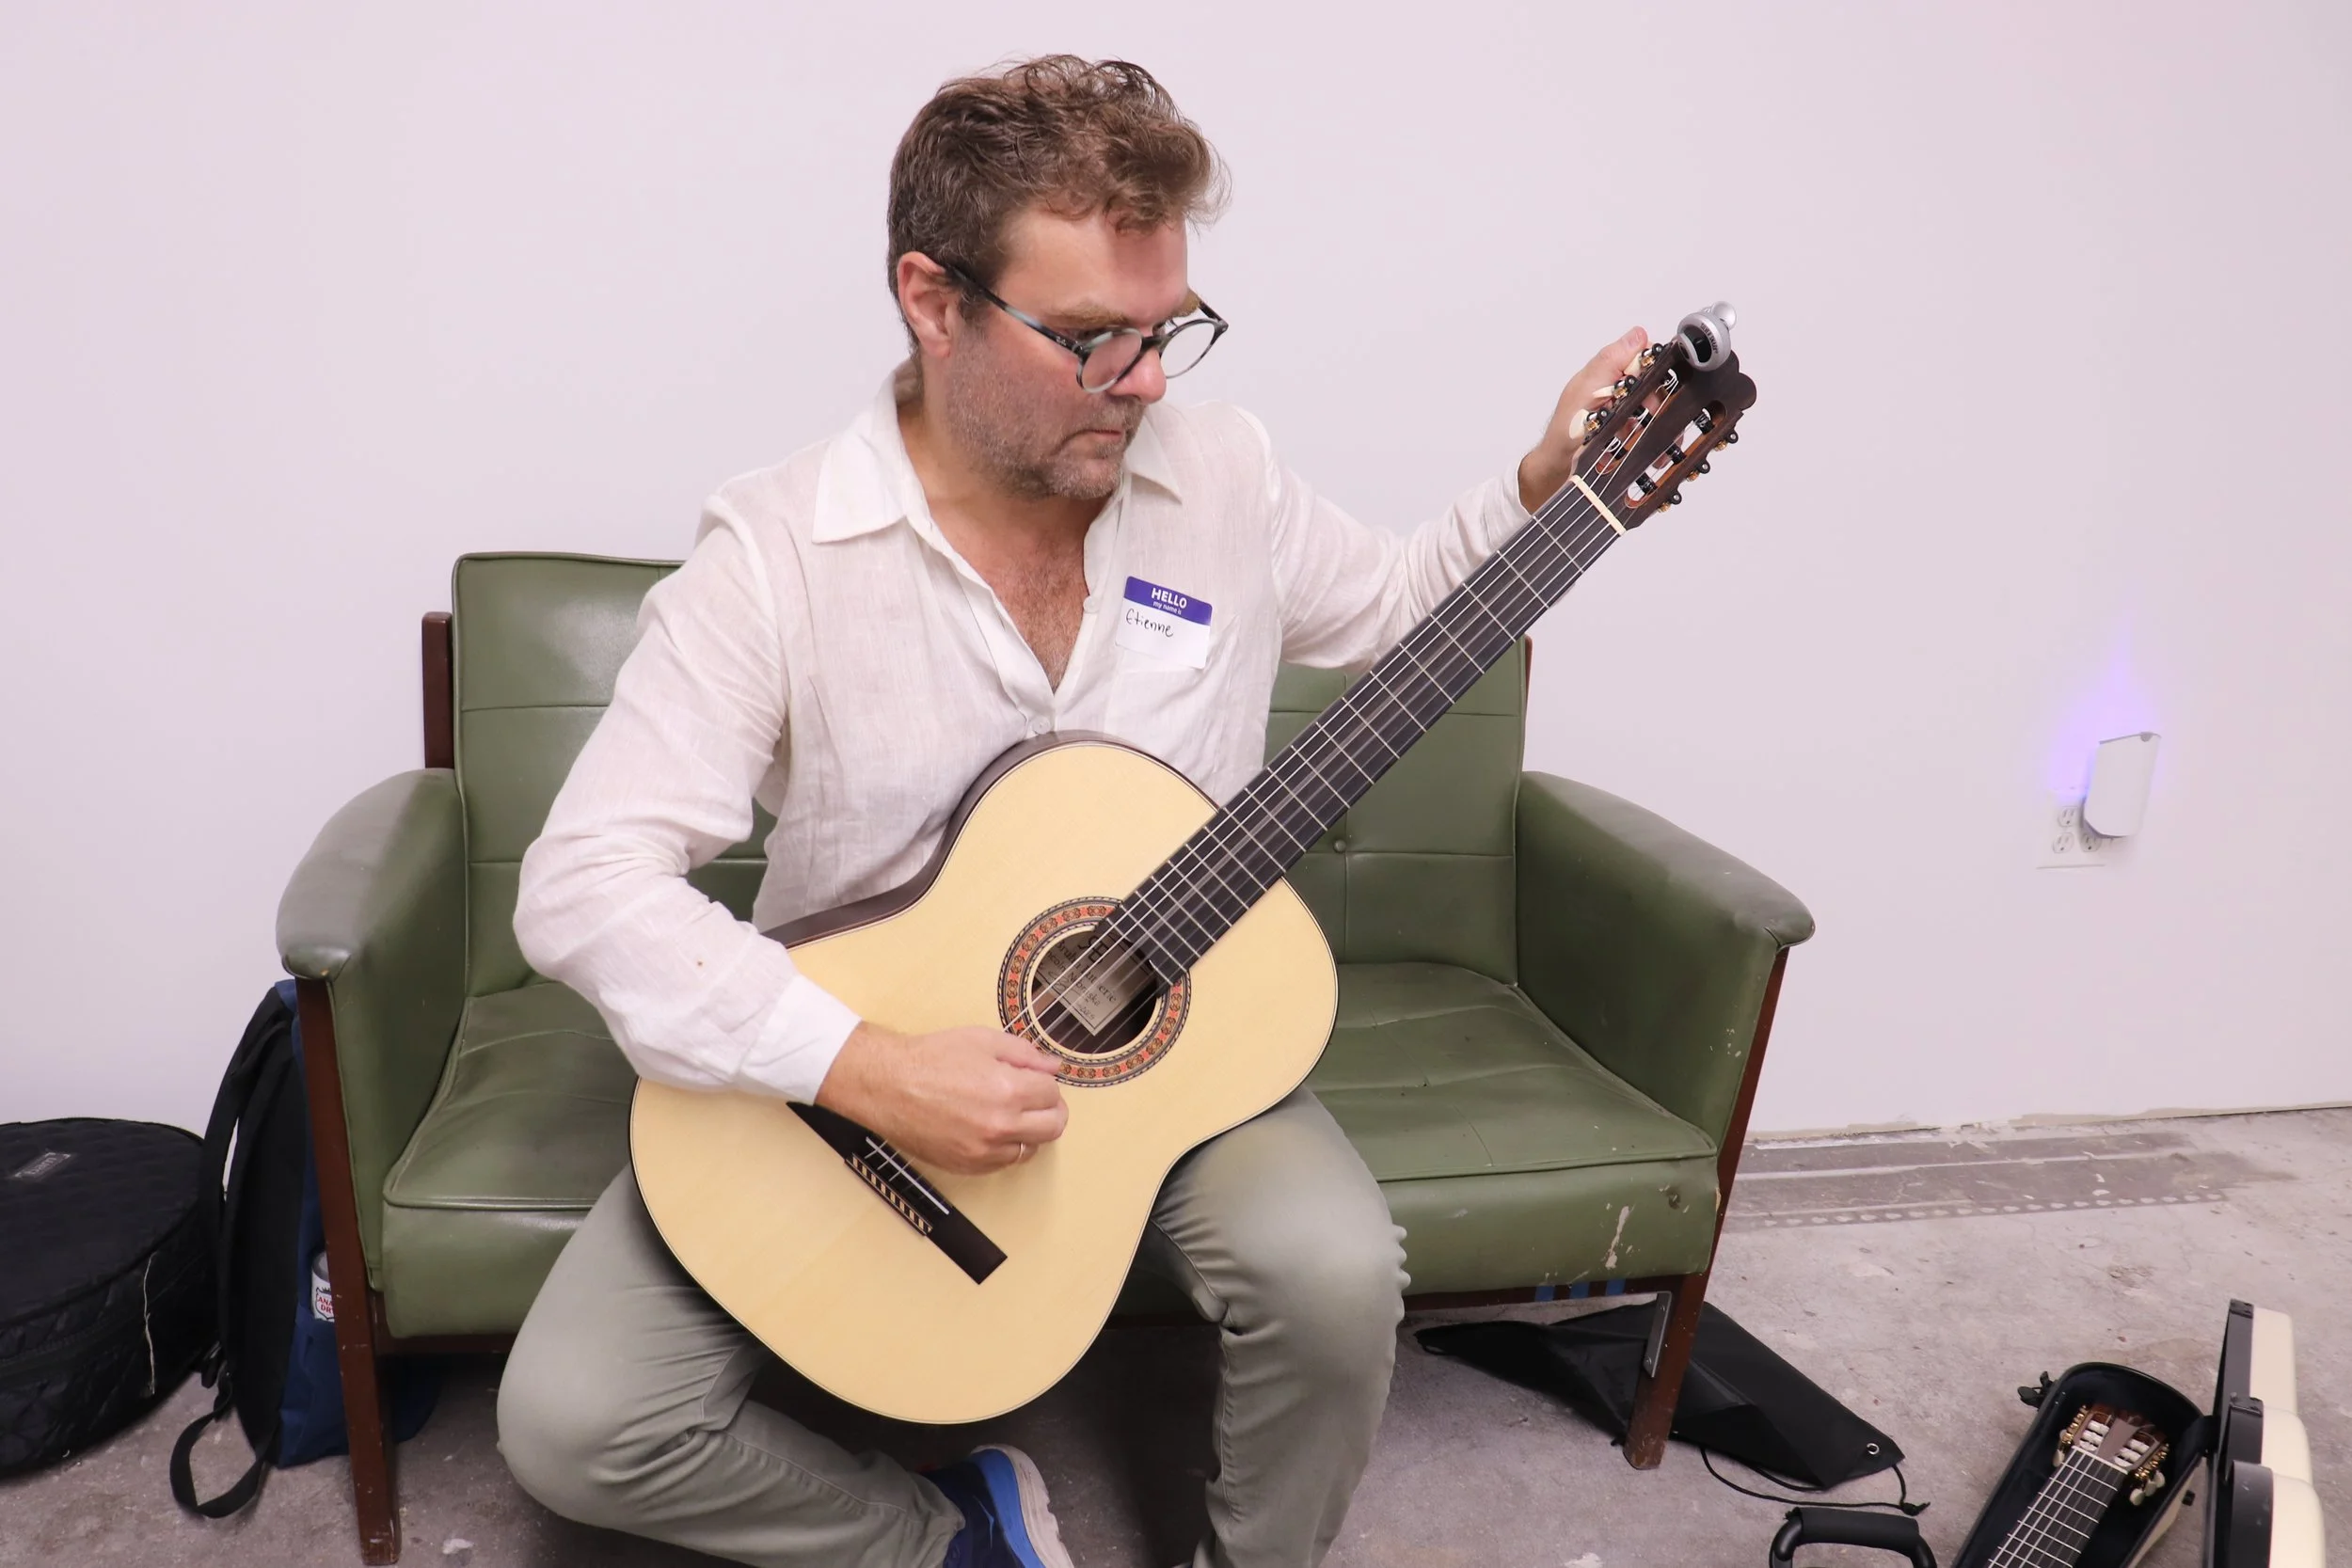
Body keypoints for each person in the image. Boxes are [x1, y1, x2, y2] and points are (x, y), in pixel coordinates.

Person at [498, 54, 1647, 1568]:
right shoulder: (777, 554)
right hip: (844, 1091)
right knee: (577, 1423)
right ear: (934, 301)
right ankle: (948, 1541)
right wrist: (868, 1066)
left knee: (1334, 1271)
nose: (1150, 381)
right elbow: (583, 884)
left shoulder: (1224, 474)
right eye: (1094, 338)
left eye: (1169, 330)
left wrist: (1544, 484)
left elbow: (1394, 607)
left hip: (1173, 1040)